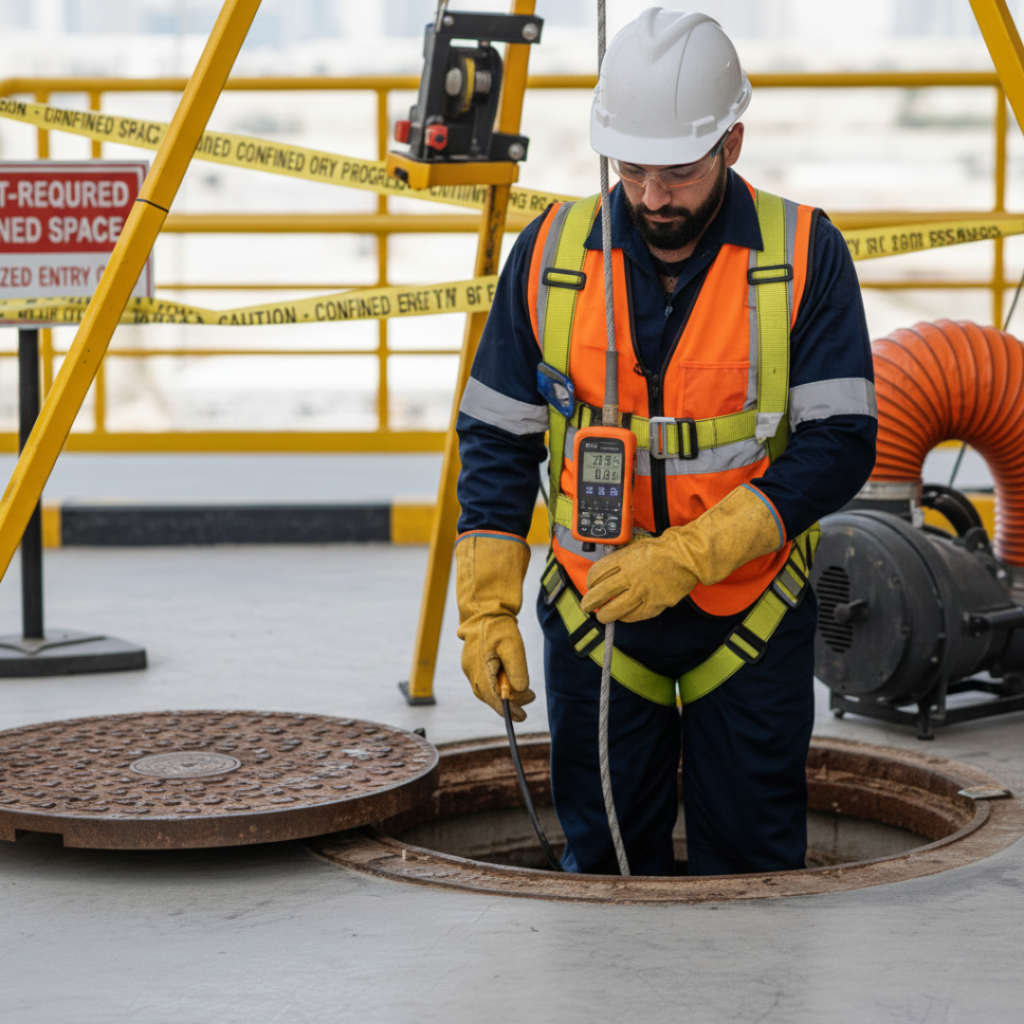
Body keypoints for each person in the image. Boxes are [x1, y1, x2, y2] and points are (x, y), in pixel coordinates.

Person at [453, 8, 877, 876]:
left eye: (678, 172)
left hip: (750, 613)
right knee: (606, 864)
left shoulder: (804, 254)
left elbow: (840, 443)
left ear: (732, 142)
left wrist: (690, 555)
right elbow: (498, 438)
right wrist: (486, 609)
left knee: (754, 869)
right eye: (632, 169)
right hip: (595, 615)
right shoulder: (548, 257)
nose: (651, 197)